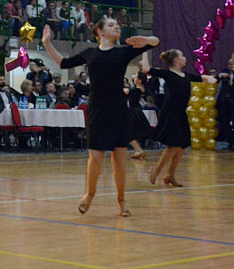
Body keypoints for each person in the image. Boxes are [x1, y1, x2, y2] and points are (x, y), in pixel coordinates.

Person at [43, 20, 157, 216]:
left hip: (119, 109)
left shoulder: (122, 51)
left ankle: (121, 200)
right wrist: (47, 43)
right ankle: (89, 194)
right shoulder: (90, 53)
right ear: (100, 32)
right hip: (97, 108)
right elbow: (63, 63)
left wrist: (146, 39)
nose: (117, 27)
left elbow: (156, 42)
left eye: (118, 25)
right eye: (112, 25)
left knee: (119, 159)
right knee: (95, 157)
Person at [147, 49, 218, 188]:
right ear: (176, 60)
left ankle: (170, 175)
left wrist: (209, 78)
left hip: (181, 112)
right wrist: (145, 51)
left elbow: (200, 78)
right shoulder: (167, 74)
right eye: (182, 56)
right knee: (174, 145)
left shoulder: (185, 75)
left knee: (183, 145)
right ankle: (157, 170)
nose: (185, 58)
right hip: (171, 111)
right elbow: (146, 69)